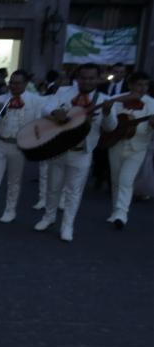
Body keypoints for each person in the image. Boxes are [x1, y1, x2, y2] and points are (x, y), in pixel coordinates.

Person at [34, 63, 107, 242]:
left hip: (82, 152)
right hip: (59, 148)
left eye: (91, 78)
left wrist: (109, 113)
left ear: (98, 79)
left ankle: (67, 225)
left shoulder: (104, 99)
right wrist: (55, 111)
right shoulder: (63, 92)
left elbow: (110, 127)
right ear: (77, 77)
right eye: (83, 77)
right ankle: (48, 217)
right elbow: (45, 108)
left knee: (74, 192)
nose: (87, 81)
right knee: (53, 187)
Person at [0, 70, 43, 223]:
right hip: (0, 143)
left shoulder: (35, 101)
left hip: (19, 146)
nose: (13, 86)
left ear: (25, 84)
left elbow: (38, 124)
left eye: (18, 83)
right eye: (11, 82)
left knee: (14, 180)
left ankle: (10, 211)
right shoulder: (1, 98)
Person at [101, 71, 153, 229]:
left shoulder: (152, 103)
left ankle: (122, 214)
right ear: (130, 85)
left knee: (126, 180)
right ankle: (115, 212)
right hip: (116, 143)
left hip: (138, 147)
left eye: (146, 85)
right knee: (116, 179)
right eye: (139, 84)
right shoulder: (118, 100)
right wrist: (108, 112)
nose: (142, 88)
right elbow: (108, 126)